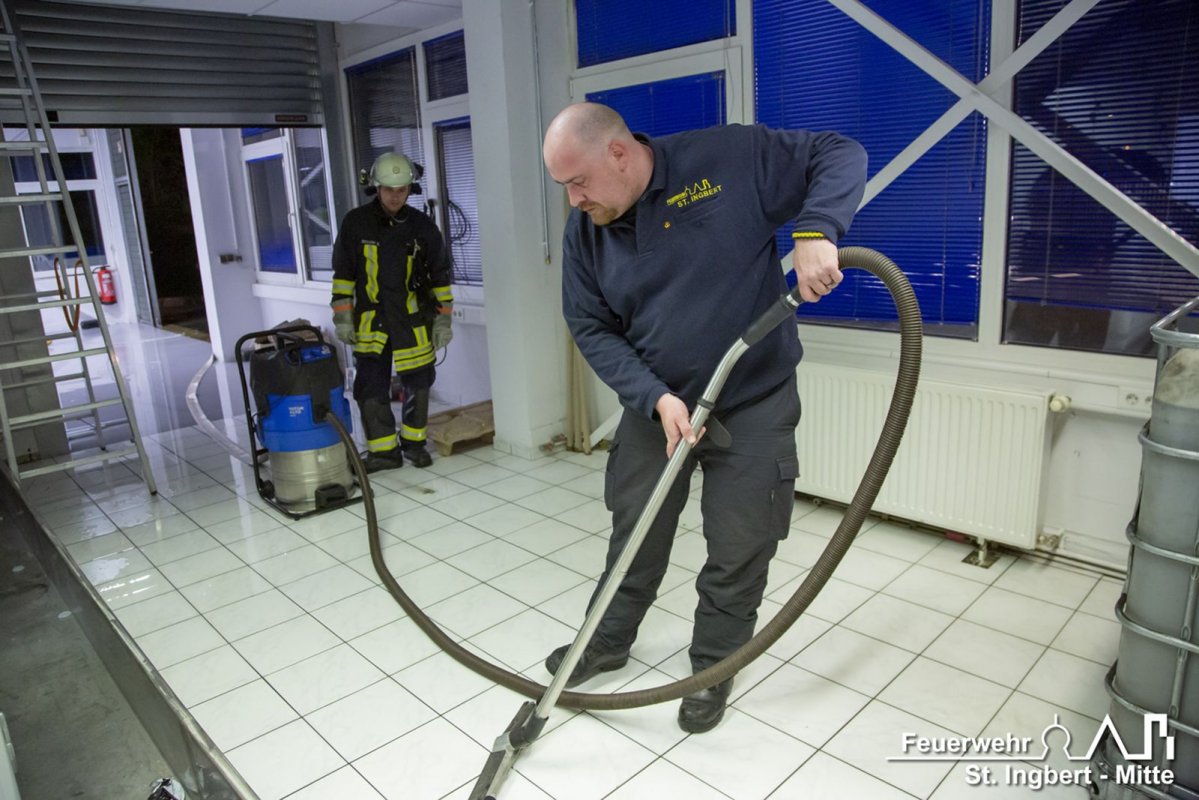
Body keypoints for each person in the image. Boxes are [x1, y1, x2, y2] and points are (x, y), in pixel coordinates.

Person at [542, 103, 866, 733]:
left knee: (740, 541)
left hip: (751, 399)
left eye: (578, 181)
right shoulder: (585, 230)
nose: (574, 199)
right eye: (564, 188)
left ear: (619, 152)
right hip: (656, 404)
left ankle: (712, 668)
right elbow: (589, 324)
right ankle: (605, 642)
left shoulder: (727, 160)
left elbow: (839, 150)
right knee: (634, 530)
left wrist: (816, 230)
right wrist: (653, 396)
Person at [330, 152, 454, 471]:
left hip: (413, 319)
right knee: (370, 386)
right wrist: (343, 316)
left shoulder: (423, 226)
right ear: (376, 188)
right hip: (371, 321)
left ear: (410, 189)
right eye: (389, 189)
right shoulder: (356, 223)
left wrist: (443, 320)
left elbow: (440, 276)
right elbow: (343, 275)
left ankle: (414, 445)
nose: (395, 196)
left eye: (402, 189)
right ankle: (384, 452)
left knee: (419, 382)